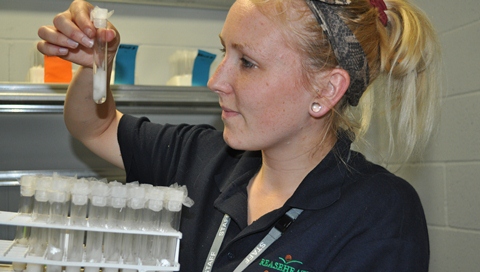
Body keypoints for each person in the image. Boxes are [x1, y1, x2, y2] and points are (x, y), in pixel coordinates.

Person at [37, 0, 441, 270]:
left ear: (326, 90)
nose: (216, 80)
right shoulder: (203, 158)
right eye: (224, 51)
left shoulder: (382, 215)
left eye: (247, 62)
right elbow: (96, 126)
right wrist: (96, 68)